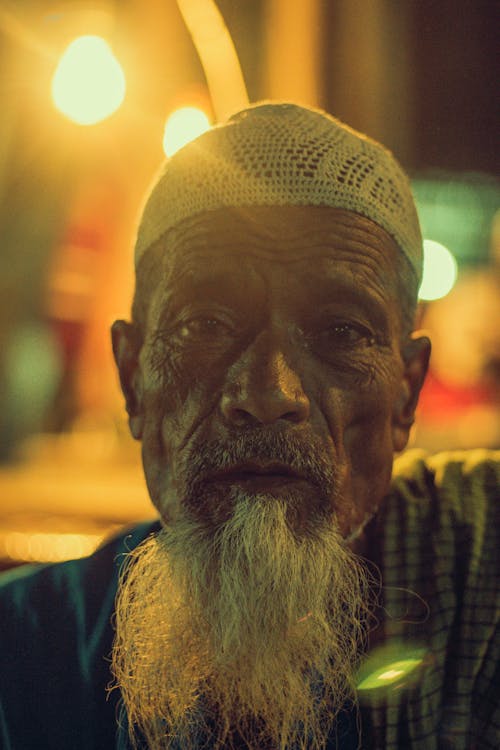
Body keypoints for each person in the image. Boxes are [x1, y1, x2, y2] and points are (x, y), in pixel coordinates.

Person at [1, 103, 498, 750]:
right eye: (205, 324)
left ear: (405, 395)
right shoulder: (25, 651)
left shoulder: (477, 564)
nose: (268, 393)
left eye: (340, 331)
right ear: (132, 379)